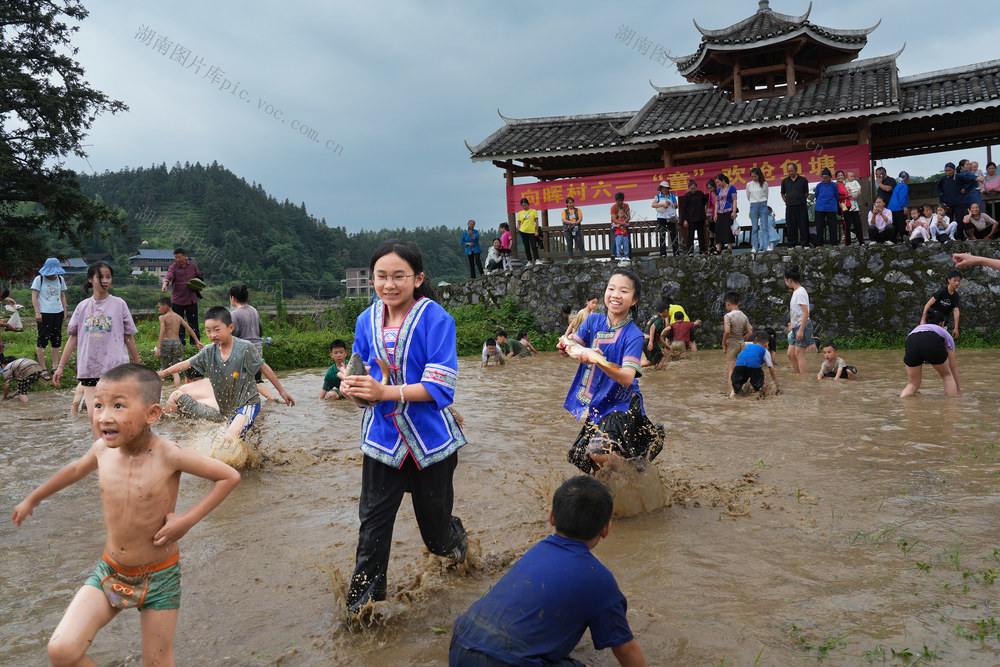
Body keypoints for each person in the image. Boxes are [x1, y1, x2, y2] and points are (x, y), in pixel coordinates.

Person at [11, 363, 240, 667]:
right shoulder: (101, 450)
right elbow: (75, 470)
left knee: (158, 663)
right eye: (98, 405)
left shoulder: (169, 454)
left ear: (152, 413)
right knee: (62, 651)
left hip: (159, 579)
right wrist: (33, 498)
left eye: (118, 405)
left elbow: (228, 476)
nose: (103, 416)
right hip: (110, 573)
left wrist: (186, 521)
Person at [338, 239, 469, 614]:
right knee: (372, 529)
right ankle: (362, 612)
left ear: (417, 278)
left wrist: (384, 391)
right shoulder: (366, 320)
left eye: (399, 276)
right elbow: (363, 378)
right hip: (382, 441)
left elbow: (440, 387)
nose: (389, 284)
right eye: (382, 276)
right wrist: (354, 390)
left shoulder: (436, 319)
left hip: (431, 442)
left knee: (436, 536)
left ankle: (455, 538)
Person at [449, 475, 646, 667]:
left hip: (460, 647)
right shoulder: (599, 579)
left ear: (551, 516)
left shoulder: (536, 551)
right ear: (606, 529)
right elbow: (626, 650)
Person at [560, 268, 664, 474]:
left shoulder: (633, 335)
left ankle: (636, 477)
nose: (616, 295)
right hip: (599, 401)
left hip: (622, 403)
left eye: (624, 291)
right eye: (611, 288)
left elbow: (627, 378)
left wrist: (597, 360)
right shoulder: (592, 321)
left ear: (634, 300)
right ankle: (612, 497)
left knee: (597, 452)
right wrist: (569, 345)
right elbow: (570, 344)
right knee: (592, 464)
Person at [159, 306, 295, 445]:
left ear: (230, 328)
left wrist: (282, 392)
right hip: (227, 410)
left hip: (247, 404)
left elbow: (264, 368)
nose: (212, 335)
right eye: (208, 331)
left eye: (217, 330)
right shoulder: (209, 351)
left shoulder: (244, 348)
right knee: (233, 442)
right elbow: (187, 363)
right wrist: (164, 372)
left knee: (229, 438)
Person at [52, 261, 141, 440]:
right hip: (89, 366)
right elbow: (73, 337)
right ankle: (100, 453)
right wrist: (60, 366)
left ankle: (124, 448)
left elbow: (128, 336)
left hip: (116, 367)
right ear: (90, 279)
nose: (105, 280)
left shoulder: (119, 304)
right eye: (100, 277)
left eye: (108, 277)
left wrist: (138, 364)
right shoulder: (82, 307)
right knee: (94, 415)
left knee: (118, 411)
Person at [229, 284, 276, 402]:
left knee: (236, 378)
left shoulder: (234, 314)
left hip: (243, 352)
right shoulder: (254, 310)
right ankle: (272, 398)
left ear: (233, 298)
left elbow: (233, 335)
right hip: (258, 350)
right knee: (257, 380)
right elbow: (260, 331)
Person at [900, 309, 961, 397]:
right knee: (947, 376)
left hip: (911, 340)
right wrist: (958, 389)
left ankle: (902, 403)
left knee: (912, 384)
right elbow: (953, 366)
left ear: (926, 322)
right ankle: (951, 406)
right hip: (931, 338)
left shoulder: (916, 330)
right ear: (942, 324)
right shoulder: (943, 332)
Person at [31, 257, 68, 381]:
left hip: (58, 312)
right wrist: (37, 312)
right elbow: (34, 296)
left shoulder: (60, 279)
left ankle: (55, 366)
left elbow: (62, 295)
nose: (53, 273)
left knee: (56, 338)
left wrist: (64, 311)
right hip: (44, 313)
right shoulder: (39, 279)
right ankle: (42, 368)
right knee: (43, 339)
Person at [156, 297, 204, 388]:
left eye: (160, 307)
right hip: (178, 343)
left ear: (165, 306)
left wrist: (158, 348)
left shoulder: (162, 317)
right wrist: (197, 341)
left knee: (163, 369)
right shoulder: (178, 317)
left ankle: (160, 393)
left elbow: (162, 331)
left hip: (166, 343)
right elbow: (189, 329)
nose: (159, 309)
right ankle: (177, 391)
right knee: (175, 370)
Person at [161, 248, 203, 347]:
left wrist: (197, 281)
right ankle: (181, 344)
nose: (177, 259)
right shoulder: (173, 267)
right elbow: (168, 276)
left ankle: (195, 344)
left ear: (185, 256)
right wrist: (165, 284)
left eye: (179, 257)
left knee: (193, 322)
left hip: (191, 299)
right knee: (178, 323)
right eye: (175, 257)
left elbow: (199, 276)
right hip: (177, 300)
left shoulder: (192, 266)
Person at [730, 332, 781, 397]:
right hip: (754, 367)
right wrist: (778, 385)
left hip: (739, 366)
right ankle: (763, 397)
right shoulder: (765, 351)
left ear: (753, 342)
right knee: (761, 384)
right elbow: (772, 371)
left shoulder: (745, 345)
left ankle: (731, 398)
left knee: (736, 388)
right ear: (767, 344)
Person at [785, 264, 811, 374]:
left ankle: (804, 379)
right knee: (790, 354)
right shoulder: (796, 291)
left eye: (785, 280)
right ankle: (798, 376)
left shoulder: (800, 292)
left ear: (790, 280)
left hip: (802, 326)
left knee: (799, 353)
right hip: (796, 327)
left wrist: (801, 330)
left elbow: (806, 312)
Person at [722, 291, 752, 385]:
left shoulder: (728, 316)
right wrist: (743, 339)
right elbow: (750, 332)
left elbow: (727, 331)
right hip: (741, 345)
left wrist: (723, 343)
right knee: (742, 370)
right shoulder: (744, 316)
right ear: (738, 302)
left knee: (731, 371)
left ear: (728, 303)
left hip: (732, 344)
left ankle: (732, 392)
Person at [921, 269, 961, 339]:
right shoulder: (942, 291)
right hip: (932, 320)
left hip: (943, 322)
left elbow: (956, 311)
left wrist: (956, 327)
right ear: (949, 280)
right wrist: (923, 319)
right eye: (954, 281)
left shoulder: (956, 296)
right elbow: (928, 304)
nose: (957, 283)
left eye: (959, 281)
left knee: (941, 340)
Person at [780, 162, 810, 247]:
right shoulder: (785, 181)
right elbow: (782, 194)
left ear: (796, 170)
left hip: (801, 206)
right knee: (791, 226)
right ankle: (791, 245)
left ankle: (805, 244)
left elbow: (806, 193)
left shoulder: (803, 180)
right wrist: (787, 202)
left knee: (803, 224)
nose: (790, 173)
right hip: (790, 207)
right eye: (789, 171)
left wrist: (800, 200)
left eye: (792, 171)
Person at [679, 179, 708, 255]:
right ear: (689, 188)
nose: (693, 190)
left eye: (694, 188)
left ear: (697, 187)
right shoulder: (687, 196)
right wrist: (685, 220)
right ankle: (690, 251)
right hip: (691, 218)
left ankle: (702, 251)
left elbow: (704, 202)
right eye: (691, 189)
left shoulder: (700, 193)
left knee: (701, 234)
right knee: (690, 235)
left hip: (700, 217)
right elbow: (684, 209)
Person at [939, 162, 966, 240]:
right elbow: (939, 187)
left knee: (959, 220)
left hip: (959, 202)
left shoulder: (958, 177)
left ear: (953, 170)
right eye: (946, 171)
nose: (947, 172)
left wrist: (965, 189)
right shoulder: (943, 179)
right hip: (947, 203)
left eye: (949, 170)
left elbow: (970, 182)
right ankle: (950, 236)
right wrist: (941, 197)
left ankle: (960, 236)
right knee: (948, 220)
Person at [652, 181, 679, 256]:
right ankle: (663, 253)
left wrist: (671, 203)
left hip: (670, 217)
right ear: (661, 189)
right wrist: (663, 204)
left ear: (668, 189)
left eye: (666, 188)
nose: (664, 190)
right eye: (663, 188)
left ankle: (676, 252)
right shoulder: (657, 196)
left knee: (673, 234)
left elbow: (676, 205)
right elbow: (653, 205)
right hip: (661, 217)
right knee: (662, 235)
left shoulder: (672, 196)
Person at [814, 168, 840, 245]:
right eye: (824, 178)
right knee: (819, 226)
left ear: (830, 177)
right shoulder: (819, 185)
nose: (825, 180)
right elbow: (816, 195)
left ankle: (834, 243)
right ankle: (820, 244)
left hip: (831, 208)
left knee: (832, 226)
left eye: (827, 178)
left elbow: (837, 196)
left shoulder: (834, 186)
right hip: (820, 208)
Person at [641, 301, 669, 370]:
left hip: (644, 340)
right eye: (668, 311)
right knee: (662, 358)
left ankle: (630, 366)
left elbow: (658, 336)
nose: (668, 313)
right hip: (649, 340)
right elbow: (652, 327)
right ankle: (659, 376)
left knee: (650, 361)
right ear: (665, 311)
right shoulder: (659, 319)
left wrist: (665, 345)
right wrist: (651, 341)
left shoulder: (654, 317)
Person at [746, 167, 768, 253]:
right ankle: (755, 247)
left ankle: (765, 247)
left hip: (763, 204)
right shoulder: (749, 184)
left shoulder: (765, 183)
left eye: (755, 176)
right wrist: (754, 201)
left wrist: (762, 202)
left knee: (764, 227)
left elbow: (766, 195)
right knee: (754, 227)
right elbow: (748, 196)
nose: (753, 178)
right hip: (753, 205)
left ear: (759, 175)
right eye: (752, 176)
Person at [714, 173, 737, 255]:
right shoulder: (718, 190)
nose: (717, 184)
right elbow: (716, 202)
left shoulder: (732, 188)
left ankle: (729, 248)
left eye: (718, 182)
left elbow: (734, 200)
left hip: (729, 211)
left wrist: (734, 212)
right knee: (718, 229)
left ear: (723, 181)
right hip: (720, 212)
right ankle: (718, 248)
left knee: (729, 229)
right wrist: (715, 214)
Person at [562, 196, 587, 262]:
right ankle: (570, 258)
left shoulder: (578, 209)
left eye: (572, 203)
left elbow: (580, 218)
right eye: (569, 203)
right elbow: (564, 220)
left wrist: (576, 222)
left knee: (580, 244)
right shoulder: (564, 211)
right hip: (568, 229)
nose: (571, 204)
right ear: (567, 204)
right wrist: (571, 222)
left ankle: (585, 258)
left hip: (576, 228)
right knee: (569, 244)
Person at [517, 198, 540, 266]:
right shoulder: (520, 213)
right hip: (523, 231)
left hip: (532, 231)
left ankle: (536, 259)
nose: (524, 207)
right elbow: (519, 222)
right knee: (526, 247)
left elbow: (536, 221)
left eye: (525, 205)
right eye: (523, 205)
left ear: (528, 204)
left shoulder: (533, 211)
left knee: (533, 246)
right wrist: (520, 229)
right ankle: (529, 261)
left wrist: (536, 230)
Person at [843, 170, 863, 245]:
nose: (852, 177)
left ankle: (861, 241)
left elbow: (859, 188)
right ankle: (848, 242)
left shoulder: (855, 182)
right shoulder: (846, 183)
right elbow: (847, 189)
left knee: (857, 223)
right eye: (850, 176)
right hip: (847, 202)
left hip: (854, 193)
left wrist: (859, 192)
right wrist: (849, 193)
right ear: (847, 177)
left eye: (853, 176)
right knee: (847, 224)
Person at [610, 192, 631, 262]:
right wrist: (622, 223)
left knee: (627, 241)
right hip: (616, 226)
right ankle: (613, 255)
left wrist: (624, 223)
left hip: (624, 226)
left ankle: (628, 255)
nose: (620, 202)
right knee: (615, 241)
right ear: (616, 200)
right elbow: (614, 219)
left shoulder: (626, 205)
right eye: (619, 200)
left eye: (622, 200)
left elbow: (629, 216)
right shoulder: (613, 208)